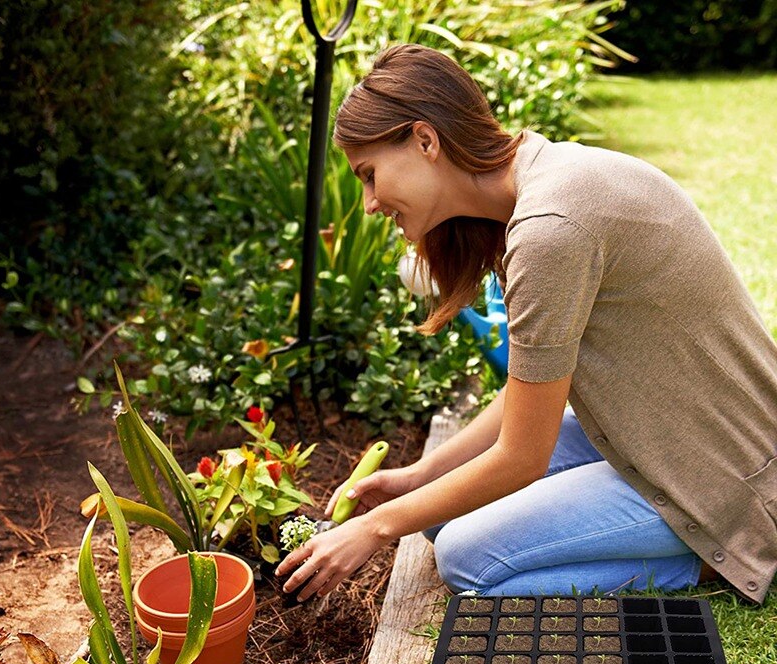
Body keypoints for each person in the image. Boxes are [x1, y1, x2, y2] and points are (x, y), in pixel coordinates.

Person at [275, 43, 777, 605]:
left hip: (717, 471)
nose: (369, 202)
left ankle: (718, 552)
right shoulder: (537, 177)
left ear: (424, 140)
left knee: (466, 558)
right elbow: (529, 391)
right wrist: (419, 477)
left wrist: (374, 527)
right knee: (438, 512)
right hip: (658, 425)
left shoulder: (550, 229)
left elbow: (522, 456)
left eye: (370, 175)